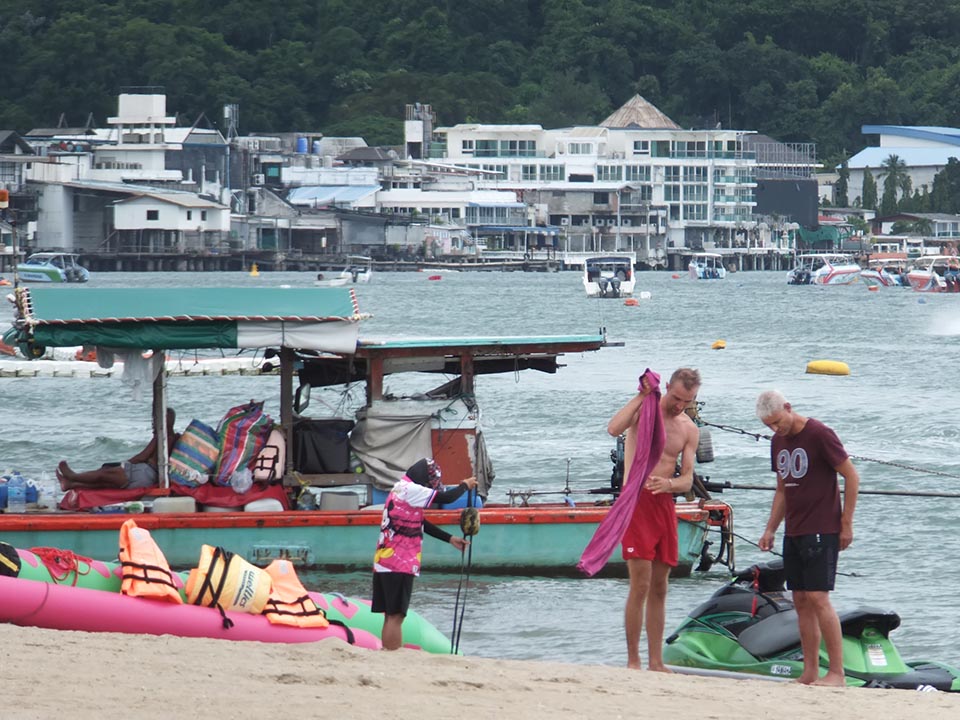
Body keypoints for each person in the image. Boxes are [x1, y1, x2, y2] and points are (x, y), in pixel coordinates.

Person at [755, 390, 860, 687]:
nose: (775, 429)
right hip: (795, 529)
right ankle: (810, 672)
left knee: (818, 597)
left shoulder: (820, 433)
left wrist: (846, 522)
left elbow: (851, 476)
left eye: (777, 422)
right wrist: (770, 528)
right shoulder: (777, 442)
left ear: (788, 408)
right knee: (800, 599)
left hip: (822, 527)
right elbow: (782, 490)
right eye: (768, 425)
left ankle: (837, 673)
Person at [607, 368, 701, 671]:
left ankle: (656, 661)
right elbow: (613, 428)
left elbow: (687, 480)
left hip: (664, 504)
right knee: (641, 583)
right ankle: (633, 660)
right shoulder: (645, 412)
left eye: (687, 401)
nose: (679, 406)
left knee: (661, 586)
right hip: (636, 501)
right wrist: (641, 395)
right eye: (676, 398)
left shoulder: (688, 428)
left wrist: (670, 485)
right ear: (668, 388)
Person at [372, 458, 477, 650]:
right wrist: (465, 485)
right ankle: (392, 655)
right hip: (399, 561)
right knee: (397, 615)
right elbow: (447, 498)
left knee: (390, 613)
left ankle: (387, 652)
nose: (430, 488)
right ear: (423, 479)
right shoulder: (412, 490)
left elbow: (420, 522)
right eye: (430, 484)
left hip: (385, 559)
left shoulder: (400, 488)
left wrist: (449, 538)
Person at [56, 408, 179, 490]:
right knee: (103, 483)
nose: (153, 422)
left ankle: (73, 476)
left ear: (164, 421)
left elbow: (142, 457)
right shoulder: (174, 438)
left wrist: (124, 464)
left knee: (103, 475)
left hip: (143, 474)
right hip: (149, 476)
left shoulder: (162, 437)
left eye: (155, 419)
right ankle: (70, 484)